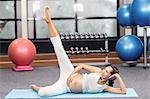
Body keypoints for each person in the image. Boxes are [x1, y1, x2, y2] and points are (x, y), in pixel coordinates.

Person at [31, 6, 126, 96]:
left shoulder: (105, 88)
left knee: (43, 93)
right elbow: (81, 66)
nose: (103, 71)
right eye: (105, 69)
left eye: (107, 72)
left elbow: (123, 91)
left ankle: (38, 88)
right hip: (69, 74)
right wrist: (71, 75)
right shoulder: (98, 71)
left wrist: (117, 76)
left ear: (110, 76)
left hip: (66, 87)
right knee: (60, 49)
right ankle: (48, 21)